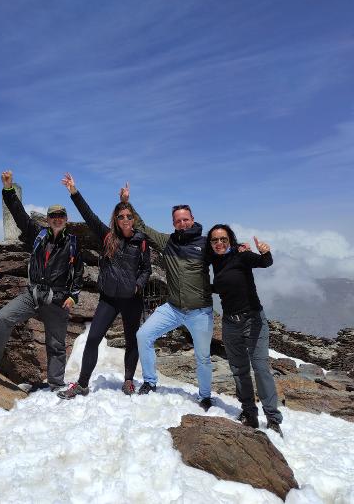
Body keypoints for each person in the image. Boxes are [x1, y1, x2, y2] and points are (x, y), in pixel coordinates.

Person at [0, 170, 83, 392]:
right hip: (32, 294)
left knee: (56, 344)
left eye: (61, 215)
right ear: (48, 219)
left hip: (57, 298)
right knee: (4, 317)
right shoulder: (37, 235)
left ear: (66, 220)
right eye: (53, 216)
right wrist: (8, 189)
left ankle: (56, 383)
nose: (57, 218)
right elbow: (19, 214)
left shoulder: (73, 243)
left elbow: (78, 272)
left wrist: (74, 296)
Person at [120, 184, 215, 410]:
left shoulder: (205, 244)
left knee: (203, 357)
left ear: (192, 219)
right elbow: (142, 226)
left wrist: (242, 251)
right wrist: (125, 203)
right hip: (172, 309)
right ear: (173, 223)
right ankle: (150, 382)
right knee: (143, 336)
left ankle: (205, 396)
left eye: (185, 219)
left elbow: (225, 254)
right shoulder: (168, 242)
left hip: (199, 311)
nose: (182, 224)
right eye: (178, 221)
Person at [57, 173, 151, 399]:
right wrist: (73, 192)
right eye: (121, 216)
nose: (126, 219)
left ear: (134, 218)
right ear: (116, 220)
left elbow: (146, 269)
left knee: (132, 340)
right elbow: (88, 215)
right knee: (93, 339)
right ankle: (82, 384)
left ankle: (128, 380)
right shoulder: (108, 237)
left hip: (132, 299)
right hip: (109, 298)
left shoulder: (142, 240)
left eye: (129, 215)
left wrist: (138, 285)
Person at [206, 224, 283, 436]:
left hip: (253, 320)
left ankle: (273, 419)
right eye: (215, 240)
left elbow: (265, 263)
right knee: (239, 370)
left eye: (223, 239)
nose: (219, 243)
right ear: (210, 243)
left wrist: (265, 251)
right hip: (230, 323)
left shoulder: (242, 256)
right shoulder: (214, 259)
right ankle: (249, 413)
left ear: (230, 240)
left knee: (260, 368)